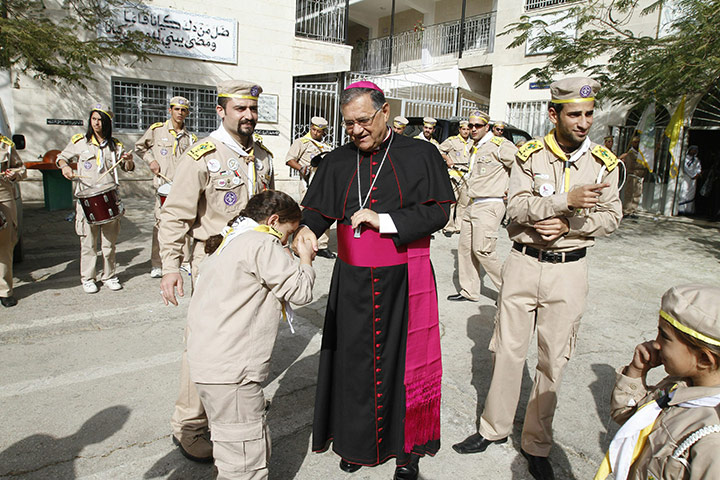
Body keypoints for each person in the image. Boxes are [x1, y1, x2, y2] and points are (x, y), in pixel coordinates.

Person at [452, 77, 622, 480]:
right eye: (575, 114)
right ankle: (492, 429)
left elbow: (612, 216)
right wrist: (565, 201)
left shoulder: (604, 163)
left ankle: (536, 444)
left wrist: (569, 226)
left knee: (553, 360)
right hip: (524, 264)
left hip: (569, 268)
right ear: (554, 114)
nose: (583, 122)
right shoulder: (528, 156)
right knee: (507, 351)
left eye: (588, 114)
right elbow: (515, 207)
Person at [294, 81, 454, 480]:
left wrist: (384, 221)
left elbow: (438, 211)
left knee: (403, 364)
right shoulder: (336, 160)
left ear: (384, 113)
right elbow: (316, 210)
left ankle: (407, 450)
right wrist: (307, 230)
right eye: (349, 124)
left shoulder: (421, 153)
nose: (356, 131)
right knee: (354, 363)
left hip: (403, 276)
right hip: (351, 282)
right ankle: (354, 443)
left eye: (364, 121)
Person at [159, 80, 274, 463]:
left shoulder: (263, 156)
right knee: (205, 344)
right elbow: (175, 214)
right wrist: (171, 266)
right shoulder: (201, 155)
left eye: (253, 109)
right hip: (213, 263)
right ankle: (189, 425)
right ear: (221, 110)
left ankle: (234, 402)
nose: (248, 116)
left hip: (254, 264)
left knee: (244, 340)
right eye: (240, 109)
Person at [187, 190, 316, 480]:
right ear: (273, 220)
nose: (286, 240)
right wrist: (305, 258)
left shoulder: (231, 240)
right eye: (288, 232)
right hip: (232, 371)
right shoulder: (261, 242)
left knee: (241, 443)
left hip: (211, 365)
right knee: (243, 465)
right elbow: (301, 291)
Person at [595, 284, 720, 480]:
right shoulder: (678, 385)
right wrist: (636, 372)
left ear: (704, 359)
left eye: (664, 336)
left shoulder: (711, 440)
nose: (655, 343)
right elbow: (630, 419)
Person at [56, 103, 134, 294]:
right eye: (94, 119)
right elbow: (61, 157)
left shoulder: (116, 145)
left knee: (109, 244)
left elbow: (128, 168)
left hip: (109, 199)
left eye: (100, 120)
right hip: (86, 199)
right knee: (88, 243)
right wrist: (65, 167)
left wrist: (128, 161)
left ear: (107, 122)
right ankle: (88, 278)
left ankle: (109, 275)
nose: (97, 123)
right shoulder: (79, 142)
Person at [447, 111, 517, 302]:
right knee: (465, 248)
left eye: (478, 126)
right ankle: (469, 291)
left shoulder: (500, 145)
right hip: (473, 201)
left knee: (483, 250)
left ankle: (510, 293)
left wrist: (513, 189)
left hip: (490, 203)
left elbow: (521, 165)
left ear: (487, 127)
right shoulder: (475, 147)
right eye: (470, 126)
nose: (473, 129)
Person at [134, 96, 197, 278]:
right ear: (170, 110)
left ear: (187, 113)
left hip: (182, 188)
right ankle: (157, 263)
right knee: (161, 226)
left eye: (183, 110)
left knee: (184, 225)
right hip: (163, 186)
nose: (180, 113)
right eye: (176, 109)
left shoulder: (190, 138)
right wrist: (151, 160)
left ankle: (184, 261)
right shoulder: (157, 131)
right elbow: (140, 147)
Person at [284, 116, 335, 258]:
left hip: (324, 184)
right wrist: (301, 168)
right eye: (313, 130)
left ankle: (322, 245)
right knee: (306, 212)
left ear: (324, 132)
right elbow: (289, 159)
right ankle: (301, 242)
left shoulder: (326, 147)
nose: (316, 133)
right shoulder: (302, 142)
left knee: (325, 211)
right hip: (308, 182)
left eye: (319, 131)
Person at [0, 134, 26, 307]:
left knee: (5, 242)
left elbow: (22, 169)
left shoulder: (5, 145)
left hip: (3, 194)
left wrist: (14, 175)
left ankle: (4, 290)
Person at [439, 120, 473, 235]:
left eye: (468, 129)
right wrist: (447, 159)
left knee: (464, 202)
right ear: (459, 130)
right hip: (454, 174)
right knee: (452, 201)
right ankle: (449, 227)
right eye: (464, 129)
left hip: (467, 175)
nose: (466, 131)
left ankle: (459, 226)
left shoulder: (472, 143)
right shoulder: (452, 141)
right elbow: (440, 150)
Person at [620, 136, 648, 218]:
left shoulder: (640, 154)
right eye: (635, 142)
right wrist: (642, 166)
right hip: (632, 176)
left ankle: (633, 210)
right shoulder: (631, 153)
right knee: (629, 194)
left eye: (638, 142)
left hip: (639, 176)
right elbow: (631, 165)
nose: (637, 144)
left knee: (637, 194)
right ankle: (626, 211)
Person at [678, 145, 702, 215]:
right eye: (692, 150)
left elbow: (699, 168)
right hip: (685, 177)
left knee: (691, 194)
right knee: (684, 192)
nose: (693, 151)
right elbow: (685, 168)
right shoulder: (684, 159)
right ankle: (681, 209)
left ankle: (689, 211)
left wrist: (697, 174)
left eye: (695, 150)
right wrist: (693, 175)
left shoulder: (697, 160)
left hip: (693, 180)